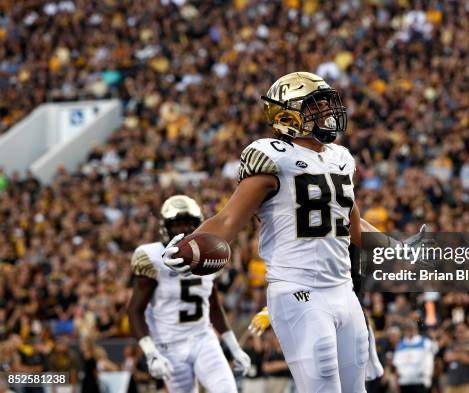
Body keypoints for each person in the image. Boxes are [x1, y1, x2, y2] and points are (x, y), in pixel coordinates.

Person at [162, 72, 404, 392]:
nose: (327, 114)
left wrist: (397, 249)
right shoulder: (273, 156)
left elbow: (351, 224)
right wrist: (188, 244)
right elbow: (227, 220)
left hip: (343, 290)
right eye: (315, 107)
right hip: (299, 291)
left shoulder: (340, 159)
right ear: (288, 115)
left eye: (327, 105)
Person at [127, 195, 250, 393]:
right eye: (177, 225)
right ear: (165, 227)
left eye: (189, 224)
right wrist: (150, 352)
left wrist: (235, 348)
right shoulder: (151, 257)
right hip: (169, 345)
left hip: (203, 338)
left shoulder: (208, 254)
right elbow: (134, 310)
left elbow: (214, 307)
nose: (183, 230)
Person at [391, 320, 436, 393]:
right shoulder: (400, 345)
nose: (409, 331)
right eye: (407, 329)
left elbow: (432, 356)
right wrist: (396, 382)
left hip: (420, 381)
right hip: (404, 382)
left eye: (411, 329)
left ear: (416, 329)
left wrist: (429, 377)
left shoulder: (425, 342)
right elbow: (397, 365)